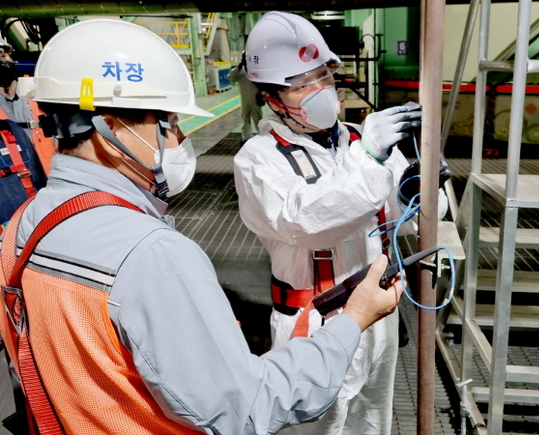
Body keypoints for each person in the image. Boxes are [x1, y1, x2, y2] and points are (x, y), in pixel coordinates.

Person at [0, 19, 405, 435]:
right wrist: (354, 319)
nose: (179, 140)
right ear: (111, 130)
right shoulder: (154, 255)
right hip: (323, 323)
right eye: (170, 123)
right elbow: (246, 410)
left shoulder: (21, 229)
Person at [234, 11, 449, 435]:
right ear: (272, 97)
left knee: (372, 423)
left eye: (323, 76)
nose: (319, 90)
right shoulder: (258, 159)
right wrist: (370, 157)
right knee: (315, 428)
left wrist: (417, 190)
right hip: (315, 323)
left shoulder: (361, 140)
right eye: (301, 84)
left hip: (378, 316)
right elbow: (306, 221)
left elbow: (405, 220)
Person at [0, 37, 54, 175]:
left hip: (53, 174)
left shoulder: (35, 90)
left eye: (4, 54)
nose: (4, 59)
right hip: (19, 180)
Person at [228, 56, 263, 143]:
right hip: (245, 99)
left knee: (258, 119)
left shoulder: (256, 70)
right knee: (245, 118)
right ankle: (246, 137)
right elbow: (231, 78)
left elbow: (263, 82)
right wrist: (238, 68)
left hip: (255, 99)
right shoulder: (240, 71)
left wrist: (263, 96)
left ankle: (261, 136)